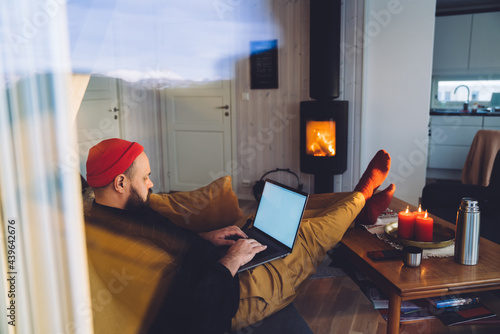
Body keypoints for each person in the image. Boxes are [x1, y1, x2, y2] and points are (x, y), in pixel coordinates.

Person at [84, 138, 395, 334]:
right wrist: (232, 261)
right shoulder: (121, 245)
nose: (151, 184)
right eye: (146, 177)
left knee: (290, 214)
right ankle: (361, 196)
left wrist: (205, 237)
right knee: (307, 234)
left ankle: (359, 207)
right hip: (232, 295)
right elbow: (191, 305)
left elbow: (169, 244)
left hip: (216, 265)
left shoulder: (122, 213)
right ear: (121, 183)